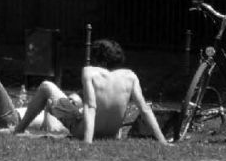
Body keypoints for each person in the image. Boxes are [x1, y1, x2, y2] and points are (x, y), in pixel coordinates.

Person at [13, 38, 171, 144]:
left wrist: (87, 142)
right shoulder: (130, 76)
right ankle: (23, 128)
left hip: (83, 130)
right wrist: (163, 142)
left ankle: (19, 130)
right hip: (111, 133)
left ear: (99, 60)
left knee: (47, 86)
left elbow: (90, 107)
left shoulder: (90, 72)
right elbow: (145, 109)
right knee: (70, 105)